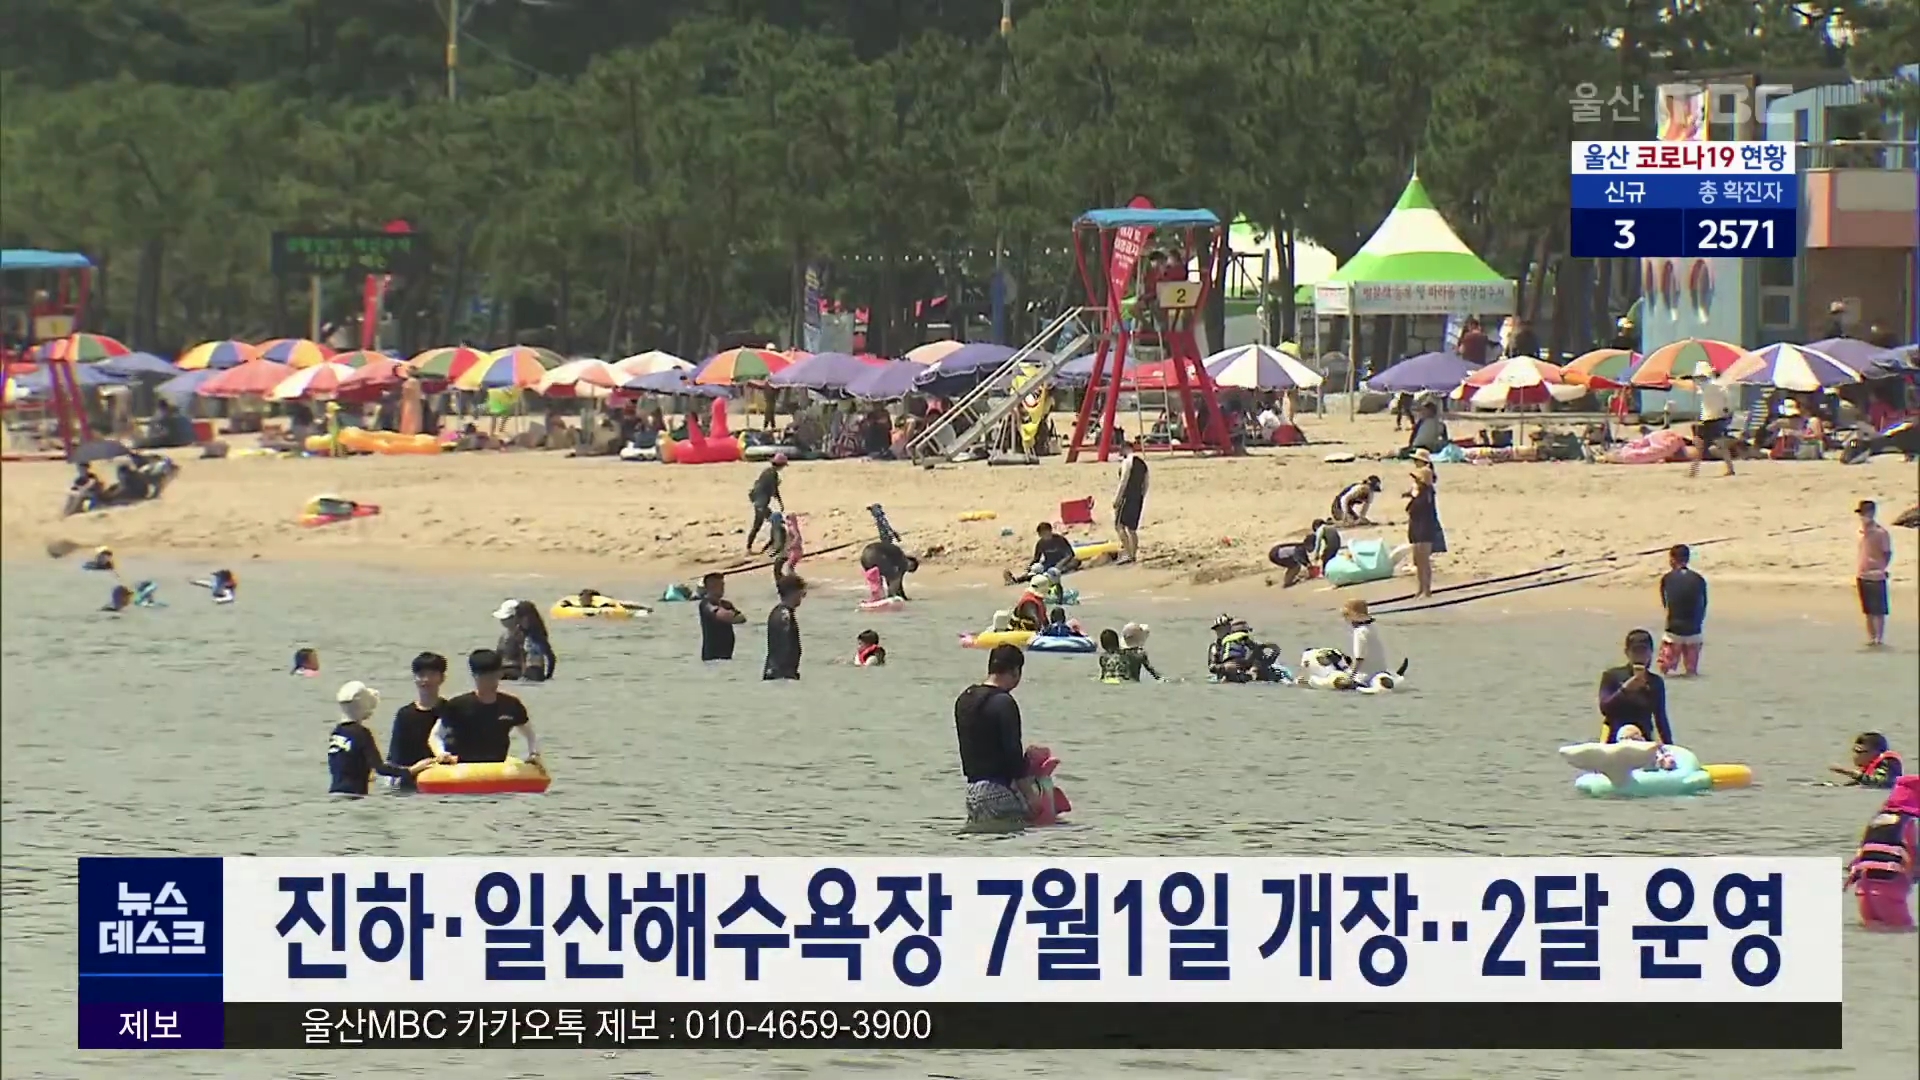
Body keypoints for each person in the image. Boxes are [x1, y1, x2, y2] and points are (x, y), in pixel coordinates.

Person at [954, 644, 1034, 826]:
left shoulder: (965, 699)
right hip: (998, 791)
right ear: (1015, 671)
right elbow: (1013, 754)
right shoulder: (1004, 703)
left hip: (972, 794)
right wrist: (1031, 798)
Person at [429, 649, 541, 764]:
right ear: (474, 676)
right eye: (482, 677)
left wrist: (533, 753)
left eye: (492, 676)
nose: (487, 682)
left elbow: (530, 734)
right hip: (462, 766)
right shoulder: (457, 705)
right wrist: (441, 753)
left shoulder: (511, 705)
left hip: (497, 767)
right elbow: (436, 735)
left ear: (500, 674)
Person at [1844, 775, 1918, 930]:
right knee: (1902, 930)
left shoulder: (1876, 820)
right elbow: (1913, 859)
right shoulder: (1910, 823)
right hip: (1890, 887)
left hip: (1863, 887)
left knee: (1872, 929)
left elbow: (1861, 853)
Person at [328, 681, 427, 796]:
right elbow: (380, 767)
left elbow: (343, 763)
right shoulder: (362, 733)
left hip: (334, 792)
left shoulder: (337, 732)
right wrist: (411, 770)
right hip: (353, 795)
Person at [1597, 630, 1674, 745]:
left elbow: (1661, 720)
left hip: (1643, 741)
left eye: (1643, 651)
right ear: (1627, 652)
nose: (1639, 656)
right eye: (1635, 651)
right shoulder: (1612, 676)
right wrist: (1624, 690)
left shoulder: (1655, 682)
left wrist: (1670, 747)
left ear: (1651, 653)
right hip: (1614, 741)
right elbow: (1604, 708)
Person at [387, 652, 448, 790]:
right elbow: (395, 757)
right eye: (421, 675)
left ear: (442, 678)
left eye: (432, 674)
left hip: (444, 776)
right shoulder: (405, 715)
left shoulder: (450, 710)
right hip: (413, 778)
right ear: (414, 678)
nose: (426, 680)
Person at [1657, 544, 1709, 676]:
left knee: (1664, 669)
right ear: (1688, 559)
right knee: (1691, 672)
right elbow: (1704, 604)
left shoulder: (1667, 578)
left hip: (1674, 629)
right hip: (1694, 630)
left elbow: (1665, 604)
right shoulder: (1699, 579)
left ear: (1672, 559)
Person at [1405, 454, 1445, 598]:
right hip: (1417, 526)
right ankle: (1421, 588)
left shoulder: (1426, 494)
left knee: (1424, 560)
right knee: (1418, 559)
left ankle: (1426, 589)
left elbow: (1420, 509)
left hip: (1425, 527)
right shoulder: (1421, 493)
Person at [1856, 499, 1893, 647]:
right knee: (1868, 611)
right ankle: (1872, 639)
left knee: (1879, 611)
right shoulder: (1860, 532)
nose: (1862, 517)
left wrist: (1881, 567)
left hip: (1877, 575)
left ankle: (1879, 638)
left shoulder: (1881, 533)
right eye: (1861, 514)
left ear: (1872, 513)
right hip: (1862, 574)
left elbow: (1887, 553)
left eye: (1865, 513)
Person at [1689, 361, 1735, 477]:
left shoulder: (1706, 387)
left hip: (1709, 419)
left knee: (1701, 446)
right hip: (1718, 418)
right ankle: (1730, 468)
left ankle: (1693, 471)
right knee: (1720, 444)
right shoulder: (1719, 387)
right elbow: (1728, 404)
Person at [1268, 519, 1341, 588]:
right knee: (1295, 566)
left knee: (1292, 564)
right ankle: (1287, 582)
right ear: (1309, 545)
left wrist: (1308, 564)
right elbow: (1300, 557)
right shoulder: (1300, 549)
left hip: (1277, 552)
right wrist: (1308, 565)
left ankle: (1283, 579)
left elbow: (1305, 559)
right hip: (1276, 554)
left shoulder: (1301, 548)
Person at [1004, 522, 1078, 584]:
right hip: (1049, 563)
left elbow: (1070, 554)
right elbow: (1036, 559)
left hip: (1063, 563)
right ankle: (1017, 579)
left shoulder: (1060, 540)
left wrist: (1059, 564)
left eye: (1047, 533)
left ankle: (1051, 573)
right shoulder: (1040, 543)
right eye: (1043, 534)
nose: (1045, 535)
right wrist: (1027, 569)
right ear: (1039, 535)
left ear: (1051, 531)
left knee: (1075, 562)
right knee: (1037, 570)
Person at [1113, 440, 1150, 564]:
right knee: (1132, 529)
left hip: (1127, 497)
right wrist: (1141, 496)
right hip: (1138, 497)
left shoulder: (1127, 462)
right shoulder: (1143, 464)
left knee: (1119, 525)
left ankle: (1128, 554)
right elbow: (1146, 483)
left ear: (1125, 448)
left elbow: (1123, 481)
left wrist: (1117, 498)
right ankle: (1133, 555)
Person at [763, 574, 806, 680]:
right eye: (802, 594)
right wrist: (788, 673)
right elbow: (786, 647)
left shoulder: (778, 612)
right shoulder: (785, 616)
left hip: (775, 672)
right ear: (793, 592)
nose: (802, 598)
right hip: (781, 675)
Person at [698, 573, 747, 661]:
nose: (721, 588)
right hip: (712, 658)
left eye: (722, 585)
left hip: (727, 655)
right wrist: (731, 615)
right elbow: (722, 616)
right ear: (708, 587)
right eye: (717, 585)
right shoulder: (706, 604)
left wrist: (730, 615)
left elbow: (742, 619)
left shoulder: (726, 604)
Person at [746, 452, 788, 552]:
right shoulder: (772, 474)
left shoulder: (767, 472)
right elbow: (774, 490)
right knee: (775, 522)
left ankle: (750, 547)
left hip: (759, 502)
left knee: (758, 525)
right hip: (762, 503)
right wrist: (780, 502)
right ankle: (770, 546)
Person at [1831, 733, 1905, 788]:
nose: (1855, 756)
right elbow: (1863, 783)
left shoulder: (1888, 762)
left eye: (1859, 752)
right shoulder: (1872, 767)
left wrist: (1849, 772)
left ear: (1876, 753)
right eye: (1854, 751)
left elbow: (1880, 783)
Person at [512, 600, 556, 682]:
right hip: (524, 674)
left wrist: (548, 675)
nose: (521, 621)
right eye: (520, 618)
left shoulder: (538, 635)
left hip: (536, 672)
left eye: (523, 618)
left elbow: (551, 657)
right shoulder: (520, 633)